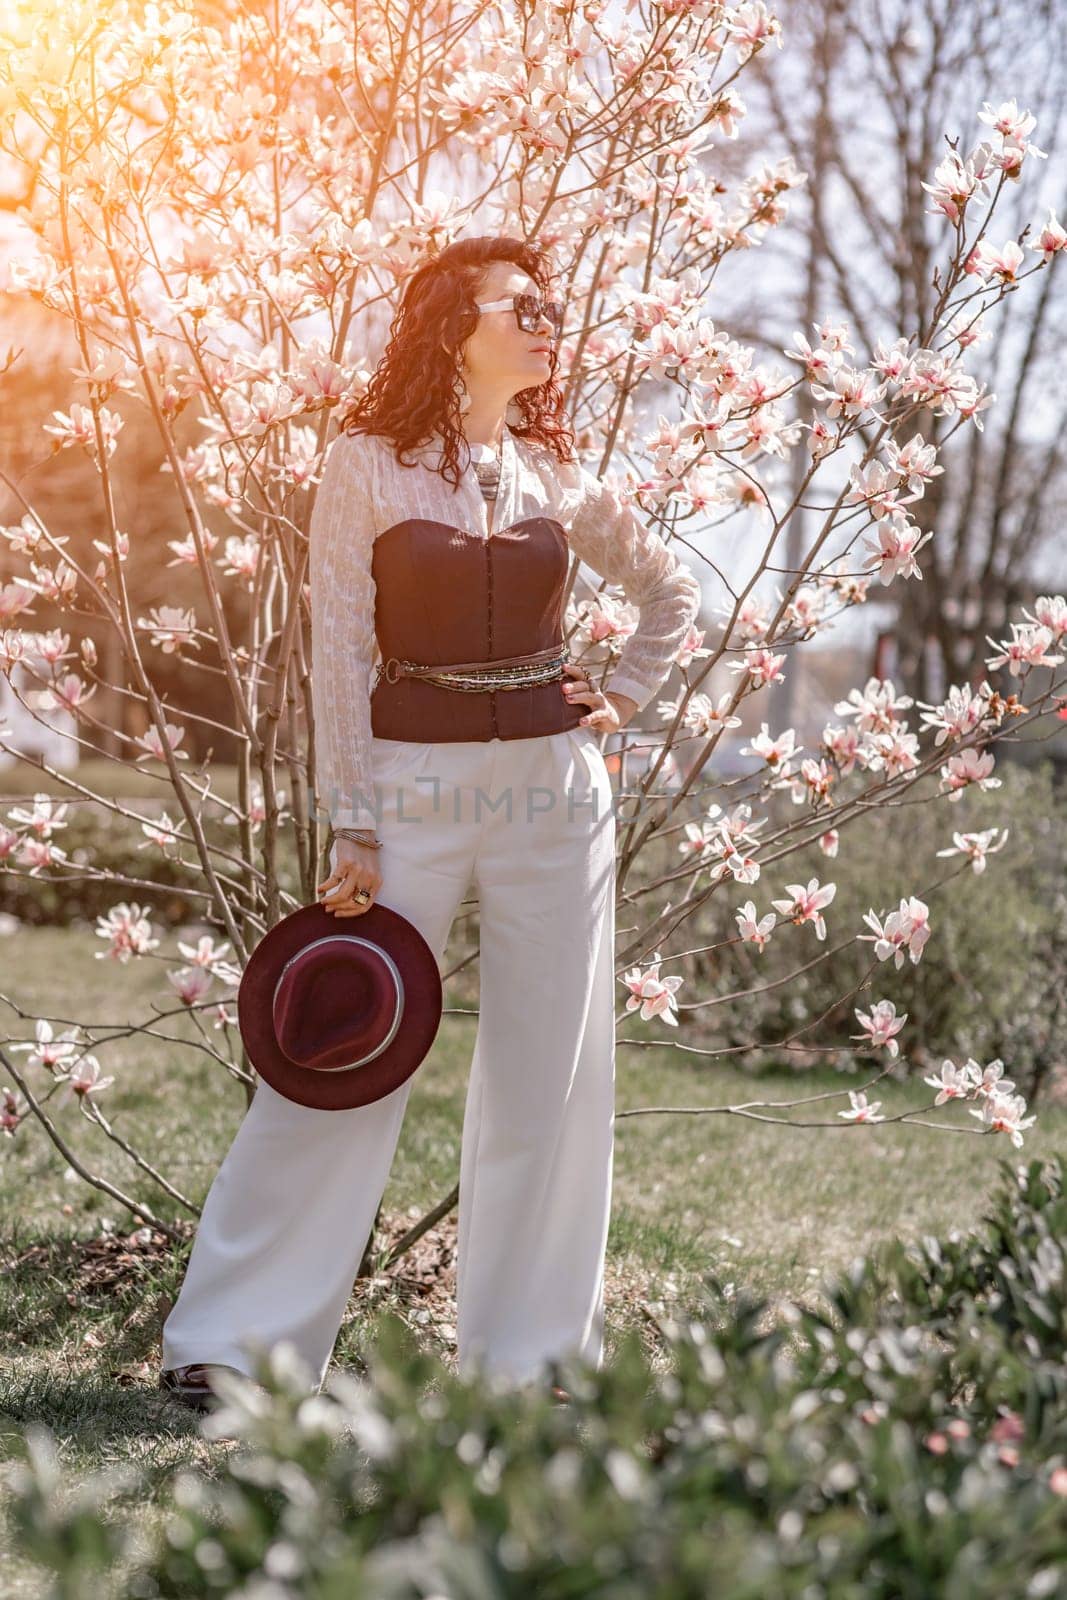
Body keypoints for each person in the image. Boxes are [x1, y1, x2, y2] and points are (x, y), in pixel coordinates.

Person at [158, 235, 702, 1410]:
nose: (550, 320)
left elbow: (674, 589)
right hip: (405, 792)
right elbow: (339, 646)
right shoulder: (364, 462)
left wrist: (626, 693)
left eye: (553, 304)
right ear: (456, 323)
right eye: (527, 305)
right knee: (339, 1048)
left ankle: (531, 1364)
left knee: (551, 1073)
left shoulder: (561, 474)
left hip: (555, 796)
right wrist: (351, 813)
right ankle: (234, 1342)